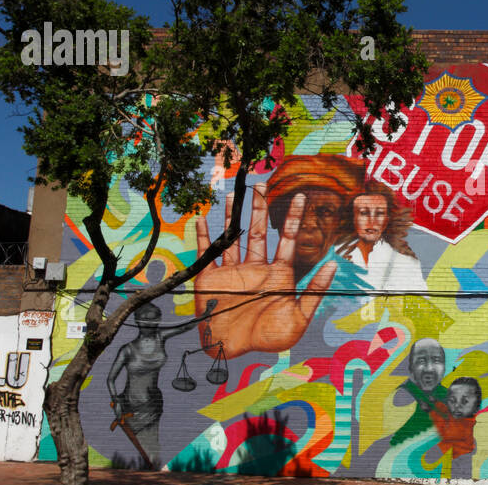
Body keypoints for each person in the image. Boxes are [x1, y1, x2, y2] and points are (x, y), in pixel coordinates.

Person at [194, 155, 365, 358]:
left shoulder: (351, 296)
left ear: (341, 224)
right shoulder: (256, 283)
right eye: (297, 210)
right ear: (276, 218)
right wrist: (219, 336)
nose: (309, 223)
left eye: (325, 211)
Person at [104, 301, 212, 468]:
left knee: (152, 449)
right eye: (145, 320)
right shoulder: (128, 350)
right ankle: (146, 480)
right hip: (131, 406)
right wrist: (116, 401)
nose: (149, 324)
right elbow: (110, 378)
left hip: (153, 405)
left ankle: (150, 478)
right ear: (137, 321)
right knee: (144, 449)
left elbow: (184, 327)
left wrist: (206, 314)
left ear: (159, 320)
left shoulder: (160, 337)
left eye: (154, 320)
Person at [336, 182, 427, 293]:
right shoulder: (333, 257)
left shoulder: (406, 264)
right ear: (353, 217)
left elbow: (421, 304)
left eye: (379, 213)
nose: (372, 221)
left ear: (387, 219)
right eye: (364, 213)